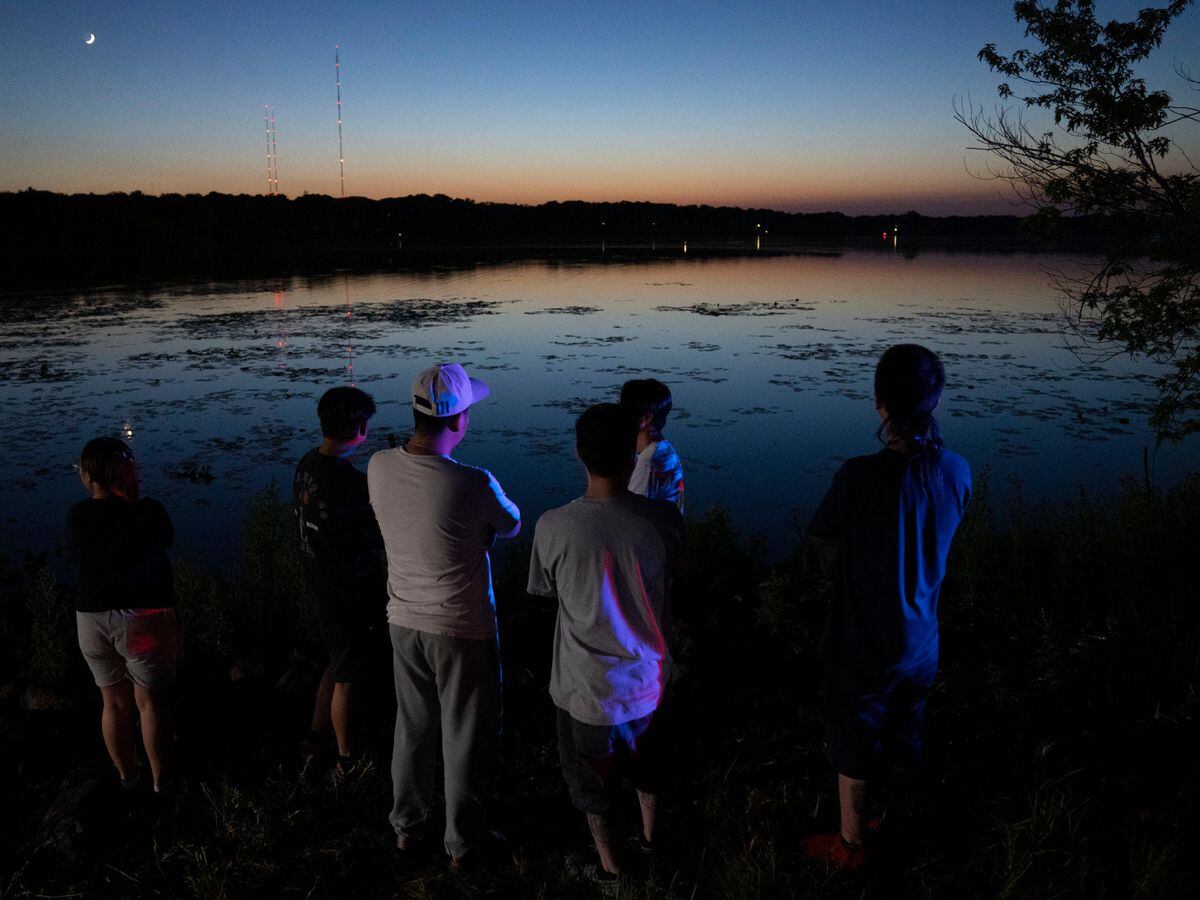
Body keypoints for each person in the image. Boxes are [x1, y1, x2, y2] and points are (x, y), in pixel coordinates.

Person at [801, 344, 972, 870]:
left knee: (853, 743)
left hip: (863, 643)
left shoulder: (860, 476)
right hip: (922, 642)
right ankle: (896, 825)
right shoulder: (957, 472)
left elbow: (821, 534)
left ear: (880, 404)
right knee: (905, 737)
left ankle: (851, 846)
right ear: (935, 399)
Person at [367, 363, 521, 870]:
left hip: (402, 621)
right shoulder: (472, 481)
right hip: (460, 629)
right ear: (458, 420)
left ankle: (407, 832)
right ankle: (463, 845)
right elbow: (513, 524)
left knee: (412, 727)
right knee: (465, 734)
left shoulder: (378, 466)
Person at [528, 403, 685, 883]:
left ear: (579, 455)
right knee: (650, 771)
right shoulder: (662, 521)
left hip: (584, 690)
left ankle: (612, 870)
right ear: (630, 454)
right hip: (648, 684)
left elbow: (543, 594)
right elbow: (677, 584)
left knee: (591, 787)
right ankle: (653, 844)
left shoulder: (553, 525)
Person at [66, 436, 182, 795]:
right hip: (142, 617)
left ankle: (127, 777)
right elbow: (166, 539)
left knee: (113, 704)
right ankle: (161, 784)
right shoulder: (147, 510)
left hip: (92, 620)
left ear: (88, 476)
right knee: (150, 704)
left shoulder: (77, 516)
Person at [293, 386, 384, 775]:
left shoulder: (307, 464)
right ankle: (346, 761)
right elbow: (377, 533)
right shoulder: (350, 482)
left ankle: (315, 737)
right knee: (348, 674)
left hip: (320, 583)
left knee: (336, 661)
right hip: (347, 591)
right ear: (360, 427)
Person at [619, 378, 685, 512]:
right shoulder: (665, 450)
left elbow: (631, 516)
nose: (618, 413)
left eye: (622, 407)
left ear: (645, 418)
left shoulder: (648, 463)